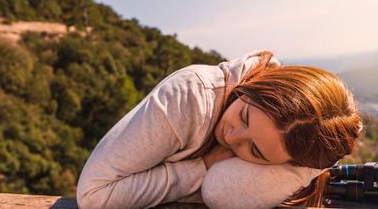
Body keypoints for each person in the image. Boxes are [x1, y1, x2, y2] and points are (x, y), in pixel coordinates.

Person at [76, 50, 361, 209]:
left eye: (255, 151)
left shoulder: (291, 154)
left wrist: (315, 165)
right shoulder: (188, 97)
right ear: (256, 86)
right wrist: (202, 168)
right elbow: (94, 195)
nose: (231, 137)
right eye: (245, 117)